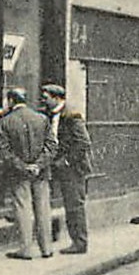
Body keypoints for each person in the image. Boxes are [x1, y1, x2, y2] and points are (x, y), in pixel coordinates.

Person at [0, 86, 52, 260]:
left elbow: (5, 152)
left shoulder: (6, 121)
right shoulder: (41, 119)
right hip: (40, 173)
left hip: (19, 173)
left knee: (23, 208)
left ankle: (26, 249)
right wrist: (38, 165)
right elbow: (51, 146)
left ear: (11, 101)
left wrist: (23, 166)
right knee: (43, 208)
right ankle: (46, 249)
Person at [42, 83, 93, 254]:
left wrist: (66, 161)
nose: (43, 100)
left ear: (57, 98)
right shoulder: (51, 114)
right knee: (67, 203)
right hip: (57, 166)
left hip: (72, 168)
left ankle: (79, 243)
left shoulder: (72, 115)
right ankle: (74, 240)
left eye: (46, 97)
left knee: (74, 205)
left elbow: (83, 143)